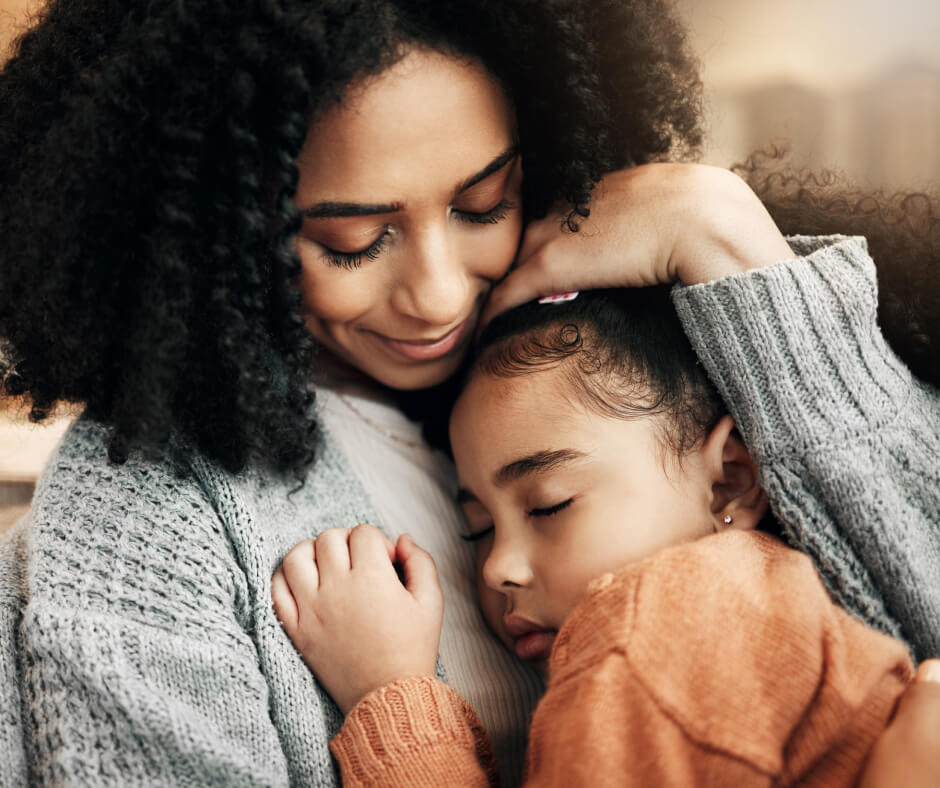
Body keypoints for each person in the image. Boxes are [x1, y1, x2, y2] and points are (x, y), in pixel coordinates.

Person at [0, 0, 937, 784]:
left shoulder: (631, 354)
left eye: (483, 203)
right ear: (216, 230)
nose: (440, 295)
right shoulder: (142, 530)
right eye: (353, 242)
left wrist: (725, 239)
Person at [271, 246, 940, 785]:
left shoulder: (653, 624)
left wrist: (389, 691)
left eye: (549, 504)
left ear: (730, 480)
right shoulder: (770, 604)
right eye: (477, 528)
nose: (499, 565)